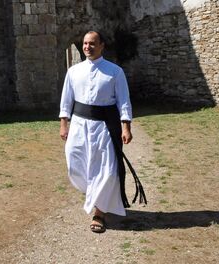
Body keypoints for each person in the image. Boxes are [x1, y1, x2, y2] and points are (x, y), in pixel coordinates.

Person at [59, 31, 146, 233]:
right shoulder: (74, 71)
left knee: (105, 169)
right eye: (85, 43)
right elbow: (66, 99)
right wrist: (64, 123)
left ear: (102, 46)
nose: (87, 47)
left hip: (105, 127)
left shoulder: (115, 72)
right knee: (74, 163)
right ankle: (94, 194)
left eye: (92, 43)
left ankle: (99, 213)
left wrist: (126, 126)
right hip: (79, 125)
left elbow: (124, 101)